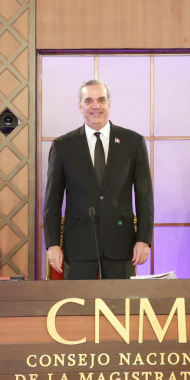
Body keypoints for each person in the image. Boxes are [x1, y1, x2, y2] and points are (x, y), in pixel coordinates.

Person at [43, 78, 153, 279]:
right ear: (80, 106)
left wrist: (144, 239)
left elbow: (145, 197)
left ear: (109, 104)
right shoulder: (63, 146)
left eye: (101, 100)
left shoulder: (133, 142)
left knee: (121, 299)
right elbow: (52, 200)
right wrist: (52, 244)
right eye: (88, 101)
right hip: (79, 246)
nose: (96, 106)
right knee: (79, 299)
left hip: (121, 245)